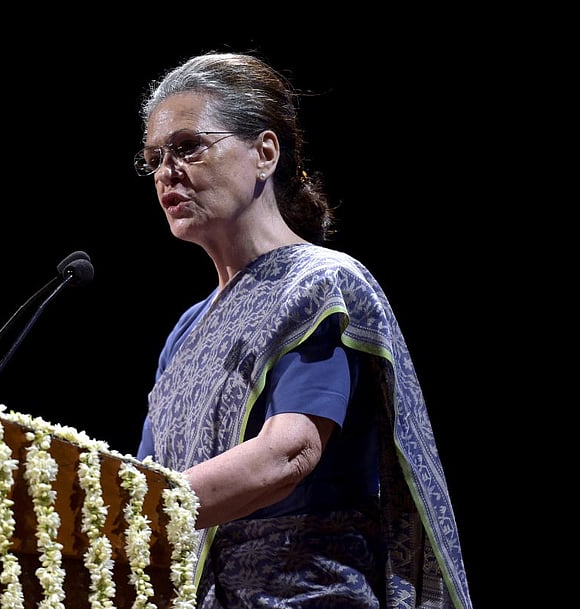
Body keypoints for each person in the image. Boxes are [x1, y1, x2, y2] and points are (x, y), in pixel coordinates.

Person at [133, 51, 473, 609]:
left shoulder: (317, 284)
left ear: (265, 153)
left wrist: (128, 510)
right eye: (154, 158)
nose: (167, 172)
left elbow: (288, 454)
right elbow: (146, 477)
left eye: (188, 147)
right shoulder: (186, 332)